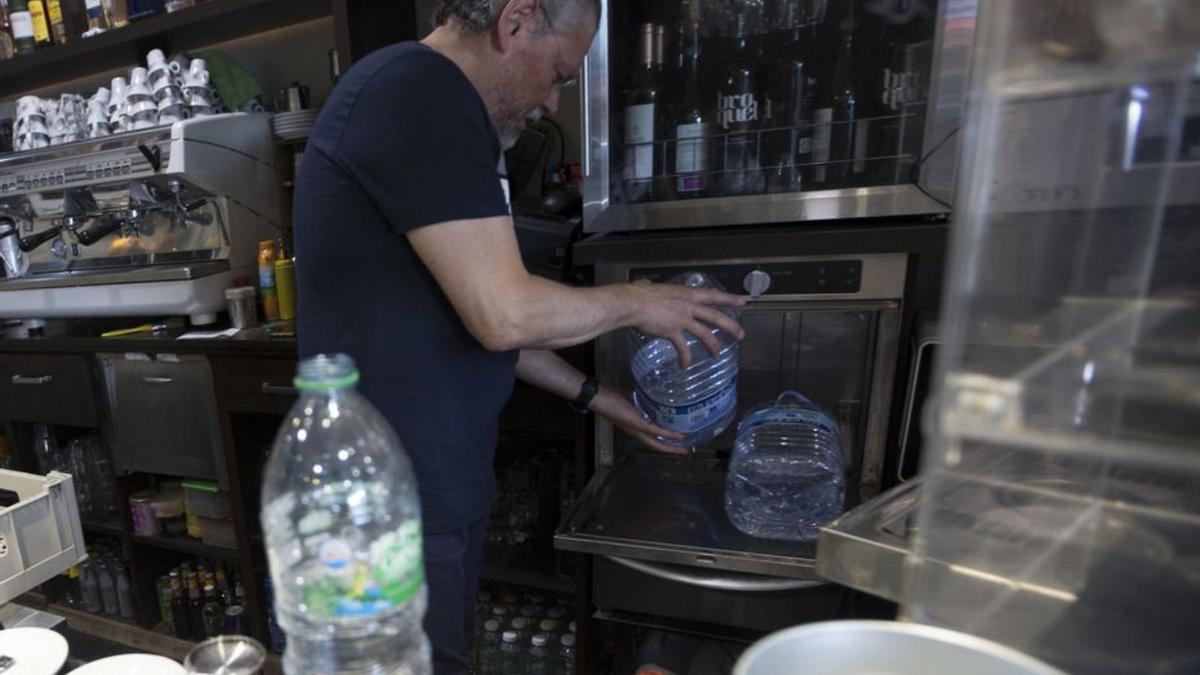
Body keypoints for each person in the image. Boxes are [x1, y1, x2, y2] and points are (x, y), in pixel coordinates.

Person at [293, 0, 745, 671]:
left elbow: (485, 311)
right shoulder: (419, 92)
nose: (552, 101)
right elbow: (503, 311)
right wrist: (639, 302)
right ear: (515, 21)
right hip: (385, 501)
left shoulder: (442, 110)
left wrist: (595, 394)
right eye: (559, 73)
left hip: (428, 483)